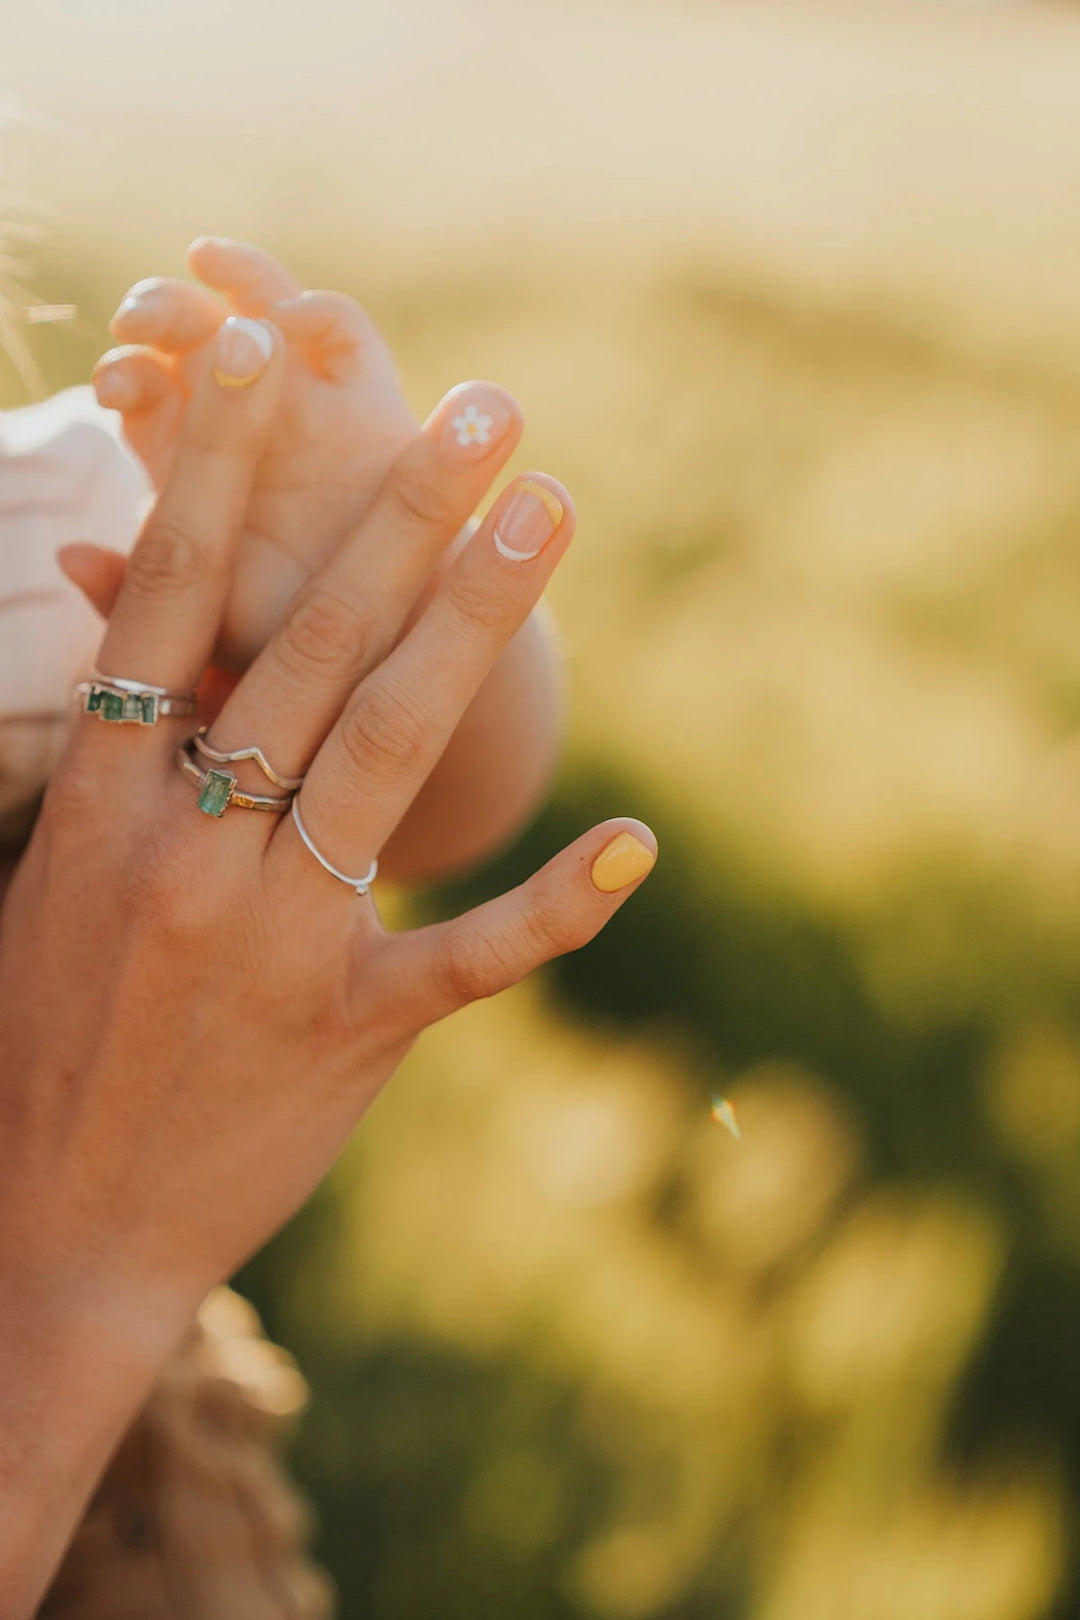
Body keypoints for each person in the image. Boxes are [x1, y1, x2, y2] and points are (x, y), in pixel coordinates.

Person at [0, 242, 657, 1618]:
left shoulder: (35, 526)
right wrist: (88, 1274)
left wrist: (363, 611)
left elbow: (438, 822)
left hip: (151, 1534)